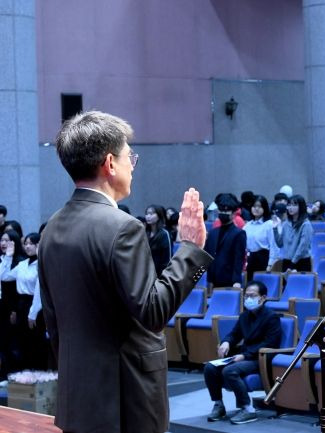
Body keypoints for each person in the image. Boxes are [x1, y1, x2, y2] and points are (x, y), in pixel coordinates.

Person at [38, 111, 212, 433]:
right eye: (128, 155)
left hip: (79, 396)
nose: (132, 164)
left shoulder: (51, 228)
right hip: (127, 400)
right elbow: (152, 311)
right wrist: (190, 250)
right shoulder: (123, 228)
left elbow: (54, 322)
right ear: (109, 163)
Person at [204, 281, 281, 425]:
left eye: (252, 296)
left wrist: (245, 355)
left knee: (230, 371)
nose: (248, 299)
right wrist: (226, 341)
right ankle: (219, 405)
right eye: (246, 296)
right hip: (244, 356)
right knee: (209, 367)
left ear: (263, 298)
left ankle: (248, 409)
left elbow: (270, 344)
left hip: (260, 358)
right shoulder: (244, 316)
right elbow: (234, 334)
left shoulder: (271, 317)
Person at [204, 193, 246, 289]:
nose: (224, 213)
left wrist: (237, 280)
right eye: (221, 210)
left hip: (229, 280)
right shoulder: (212, 233)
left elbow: (239, 259)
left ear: (234, 213)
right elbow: (206, 256)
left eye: (227, 211)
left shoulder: (239, 233)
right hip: (212, 279)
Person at [0, 230, 26, 377]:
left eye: (7, 241)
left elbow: (15, 289)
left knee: (13, 342)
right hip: (2, 306)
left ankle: (14, 373)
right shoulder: (3, 260)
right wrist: (6, 258)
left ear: (15, 242)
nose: (4, 244)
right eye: (2, 240)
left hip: (15, 307)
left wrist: (14, 310)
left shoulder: (21, 261)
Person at [273, 194, 313, 272]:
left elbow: (303, 247)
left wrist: (292, 264)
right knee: (285, 284)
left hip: (301, 262)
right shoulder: (286, 223)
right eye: (289, 205)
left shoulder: (306, 224)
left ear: (301, 207)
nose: (290, 208)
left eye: (294, 205)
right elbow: (280, 243)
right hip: (287, 261)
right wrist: (275, 228)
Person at [243, 195, 278, 280]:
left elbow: (273, 246)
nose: (256, 209)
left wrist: (270, 265)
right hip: (250, 260)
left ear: (264, 208)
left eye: (259, 206)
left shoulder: (269, 224)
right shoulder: (247, 225)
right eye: (254, 206)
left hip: (263, 260)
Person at [144, 204, 172, 277]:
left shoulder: (164, 234)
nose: (148, 216)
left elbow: (167, 260)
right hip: (144, 274)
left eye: (151, 214)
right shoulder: (144, 233)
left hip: (158, 275)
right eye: (147, 214)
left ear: (159, 216)